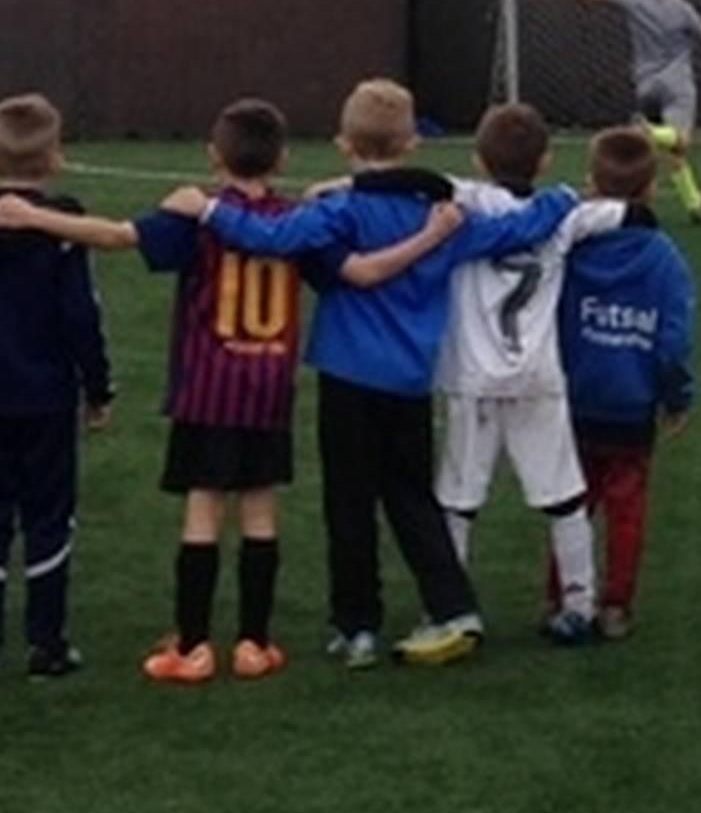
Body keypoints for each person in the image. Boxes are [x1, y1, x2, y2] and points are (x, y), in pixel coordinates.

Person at [0, 99, 463, 683]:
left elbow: (118, 236)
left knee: (203, 509)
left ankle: (193, 646)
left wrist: (35, 217)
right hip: (267, 388)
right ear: (285, 157)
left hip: (208, 388)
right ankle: (253, 642)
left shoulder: (198, 219)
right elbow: (355, 272)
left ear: (213, 156)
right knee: (260, 509)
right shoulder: (299, 223)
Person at [161, 79, 581, 669]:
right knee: (412, 498)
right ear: (411, 142)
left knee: (349, 503)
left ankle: (357, 626)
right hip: (411, 379)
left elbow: (273, 235)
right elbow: (520, 226)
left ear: (343, 144)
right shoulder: (443, 217)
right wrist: (563, 196)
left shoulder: (341, 211)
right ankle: (454, 606)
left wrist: (207, 208)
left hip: (349, 376)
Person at [358, 105, 632, 646]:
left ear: (478, 160)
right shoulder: (567, 213)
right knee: (563, 498)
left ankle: (450, 607)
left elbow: (412, 182)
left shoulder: (464, 200)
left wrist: (351, 181)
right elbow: (629, 215)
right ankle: (578, 604)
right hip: (536, 376)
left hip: (471, 380)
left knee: (458, 499)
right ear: (546, 158)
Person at [553, 128, 697, 639]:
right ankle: (615, 605)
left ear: (591, 184)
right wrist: (677, 396)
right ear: (652, 189)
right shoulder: (664, 259)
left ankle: (563, 599)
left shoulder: (568, 250)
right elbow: (673, 343)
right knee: (627, 507)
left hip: (574, 398)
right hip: (632, 405)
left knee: (572, 502)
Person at [0, 93, 110, 680]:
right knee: (48, 515)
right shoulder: (63, 226)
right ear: (55, 158)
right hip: (44, 396)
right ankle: (47, 643)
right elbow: (80, 315)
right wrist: (98, 388)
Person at [532, 0, 701, 224]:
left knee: (670, 152)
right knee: (680, 140)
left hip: (646, 85)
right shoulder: (681, 8)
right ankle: (650, 132)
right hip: (676, 84)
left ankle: (693, 202)